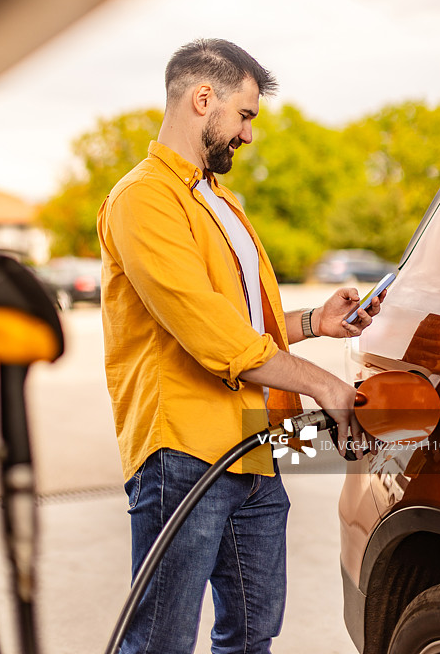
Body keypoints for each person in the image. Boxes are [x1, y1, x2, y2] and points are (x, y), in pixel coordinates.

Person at [97, 38, 383, 654]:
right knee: (159, 643)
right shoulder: (144, 198)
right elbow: (208, 331)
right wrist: (325, 384)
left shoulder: (219, 203)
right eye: (245, 115)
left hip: (258, 444)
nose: (249, 135)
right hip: (183, 451)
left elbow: (245, 319)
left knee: (254, 634)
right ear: (205, 99)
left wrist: (313, 323)